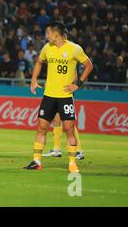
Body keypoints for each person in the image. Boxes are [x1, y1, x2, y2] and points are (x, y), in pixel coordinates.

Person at [24, 21, 93, 173]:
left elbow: (89, 65)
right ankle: (36, 161)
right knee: (41, 128)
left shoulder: (74, 49)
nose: (46, 36)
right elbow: (39, 61)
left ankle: (72, 163)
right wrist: (34, 80)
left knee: (68, 129)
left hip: (65, 97)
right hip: (48, 96)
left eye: (48, 33)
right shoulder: (47, 48)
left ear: (56, 34)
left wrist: (78, 84)